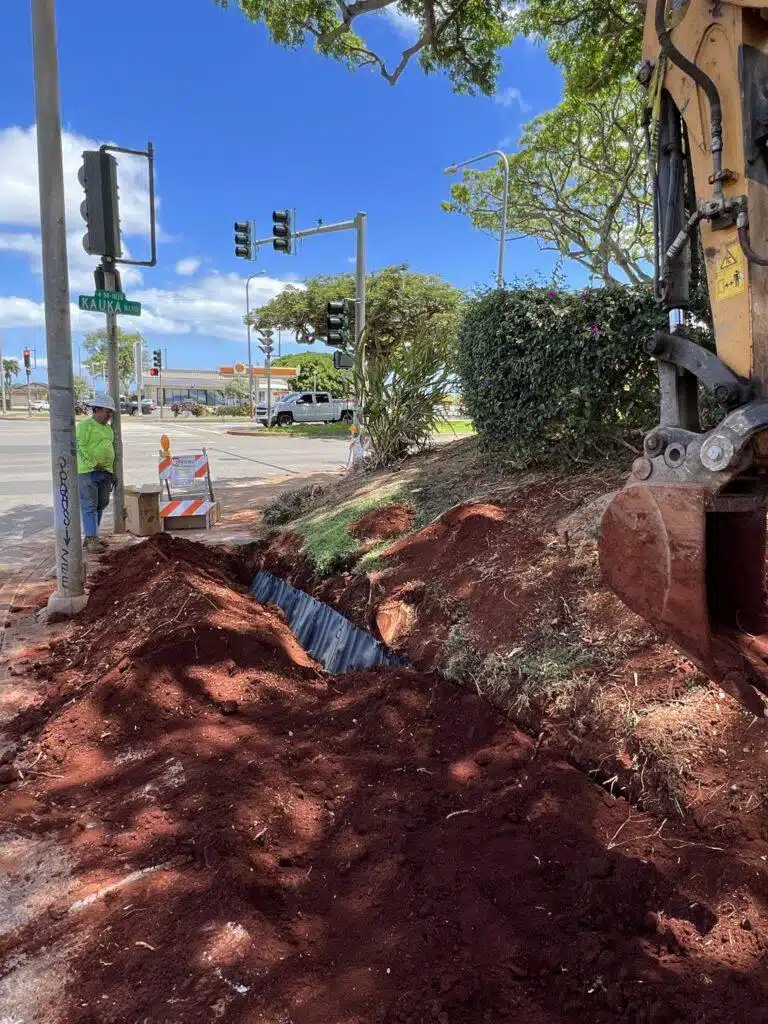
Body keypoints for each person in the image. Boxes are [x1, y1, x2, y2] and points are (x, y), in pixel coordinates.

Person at [76, 393, 116, 553]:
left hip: (105, 473)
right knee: (89, 505)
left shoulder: (108, 429)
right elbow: (79, 447)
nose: (109, 415)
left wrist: (111, 471)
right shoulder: (85, 426)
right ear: (97, 409)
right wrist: (93, 463)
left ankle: (93, 536)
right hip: (88, 472)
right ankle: (91, 538)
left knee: (101, 503)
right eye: (107, 411)